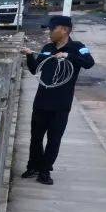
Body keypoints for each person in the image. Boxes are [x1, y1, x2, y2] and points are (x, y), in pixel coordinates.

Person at [21, 14, 95, 185]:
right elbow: (34, 70)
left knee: (54, 139)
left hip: (61, 104)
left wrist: (68, 56)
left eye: (52, 29)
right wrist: (29, 55)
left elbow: (89, 63)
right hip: (41, 101)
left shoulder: (78, 47)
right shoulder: (47, 48)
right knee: (36, 137)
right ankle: (33, 166)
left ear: (64, 30)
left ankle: (45, 171)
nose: (49, 32)